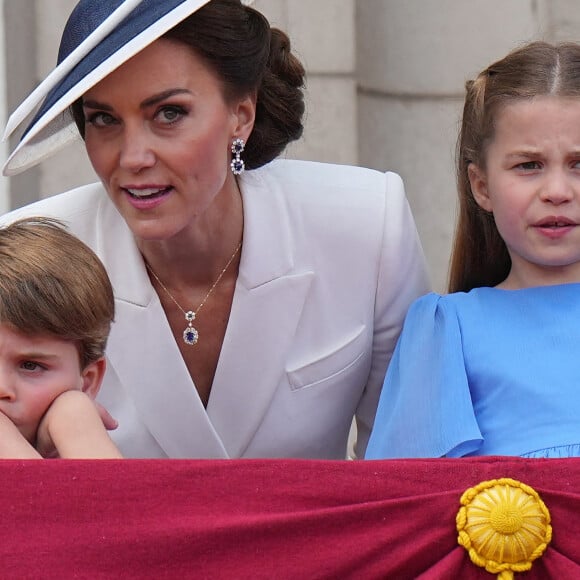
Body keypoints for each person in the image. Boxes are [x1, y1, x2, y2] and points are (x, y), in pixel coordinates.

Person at [2, 0, 429, 459]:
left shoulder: (366, 223)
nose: (132, 158)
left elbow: (406, 469)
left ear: (240, 116)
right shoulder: (24, 253)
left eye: (168, 114)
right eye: (103, 119)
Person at [366, 40, 580, 460]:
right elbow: (411, 501)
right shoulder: (449, 330)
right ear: (481, 186)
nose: (557, 191)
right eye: (528, 165)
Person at [0, 217, 122, 459]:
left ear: (86, 382)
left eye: (30, 365)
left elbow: (118, 498)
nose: (2, 387)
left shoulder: (76, 424)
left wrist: (78, 426)